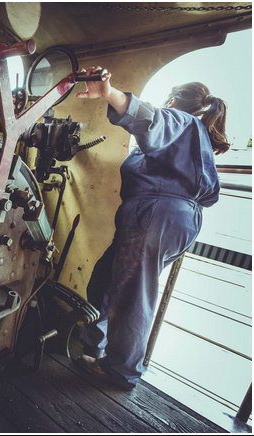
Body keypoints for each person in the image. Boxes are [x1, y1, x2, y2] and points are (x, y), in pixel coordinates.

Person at [73, 66, 230, 390]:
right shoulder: (190, 138)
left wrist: (109, 93)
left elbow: (151, 119)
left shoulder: (181, 121)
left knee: (133, 294)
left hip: (156, 216)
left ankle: (121, 370)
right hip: (168, 218)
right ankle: (95, 346)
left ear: (173, 101)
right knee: (106, 278)